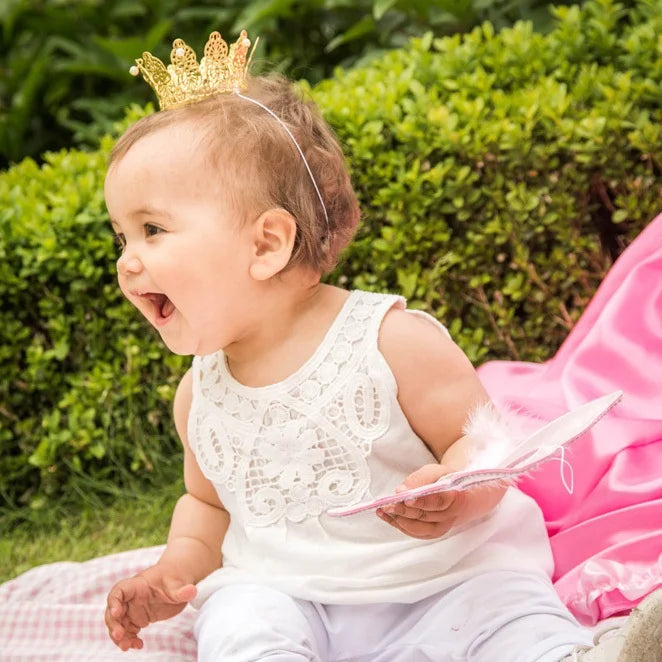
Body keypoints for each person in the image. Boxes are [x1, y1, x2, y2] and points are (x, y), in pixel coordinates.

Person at [103, 31, 662, 662]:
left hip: (449, 582)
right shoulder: (199, 395)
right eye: (121, 238)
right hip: (294, 595)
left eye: (152, 230)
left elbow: (486, 441)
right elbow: (205, 504)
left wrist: (456, 488)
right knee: (241, 615)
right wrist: (174, 570)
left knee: (506, 619)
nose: (127, 262)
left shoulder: (389, 342)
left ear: (266, 245)